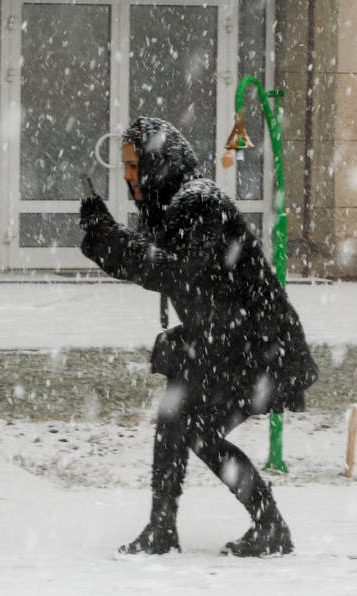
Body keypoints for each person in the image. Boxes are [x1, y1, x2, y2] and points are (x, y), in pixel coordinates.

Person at [79, 117, 318, 557]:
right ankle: (163, 529)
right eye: (125, 167)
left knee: (198, 430)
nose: (127, 176)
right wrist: (106, 233)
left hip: (253, 344)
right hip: (221, 340)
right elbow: (161, 261)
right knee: (175, 420)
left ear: (159, 163)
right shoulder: (177, 203)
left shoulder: (199, 202)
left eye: (134, 166)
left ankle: (269, 528)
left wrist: (108, 238)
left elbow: (174, 269)